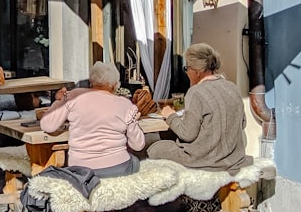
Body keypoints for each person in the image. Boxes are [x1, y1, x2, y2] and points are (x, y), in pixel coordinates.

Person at [147, 43, 253, 171]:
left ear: (196, 71)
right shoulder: (232, 87)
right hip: (233, 158)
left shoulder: (196, 92)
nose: (186, 73)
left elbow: (187, 134)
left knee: (155, 148)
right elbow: (242, 123)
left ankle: (175, 189)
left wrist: (170, 115)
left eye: (187, 69)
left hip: (207, 160)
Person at [39, 61, 146, 177]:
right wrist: (133, 122)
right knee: (135, 161)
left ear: (91, 81)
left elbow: (47, 125)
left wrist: (59, 100)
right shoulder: (125, 104)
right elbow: (138, 145)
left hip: (81, 169)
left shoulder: (73, 96)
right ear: (115, 85)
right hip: (117, 167)